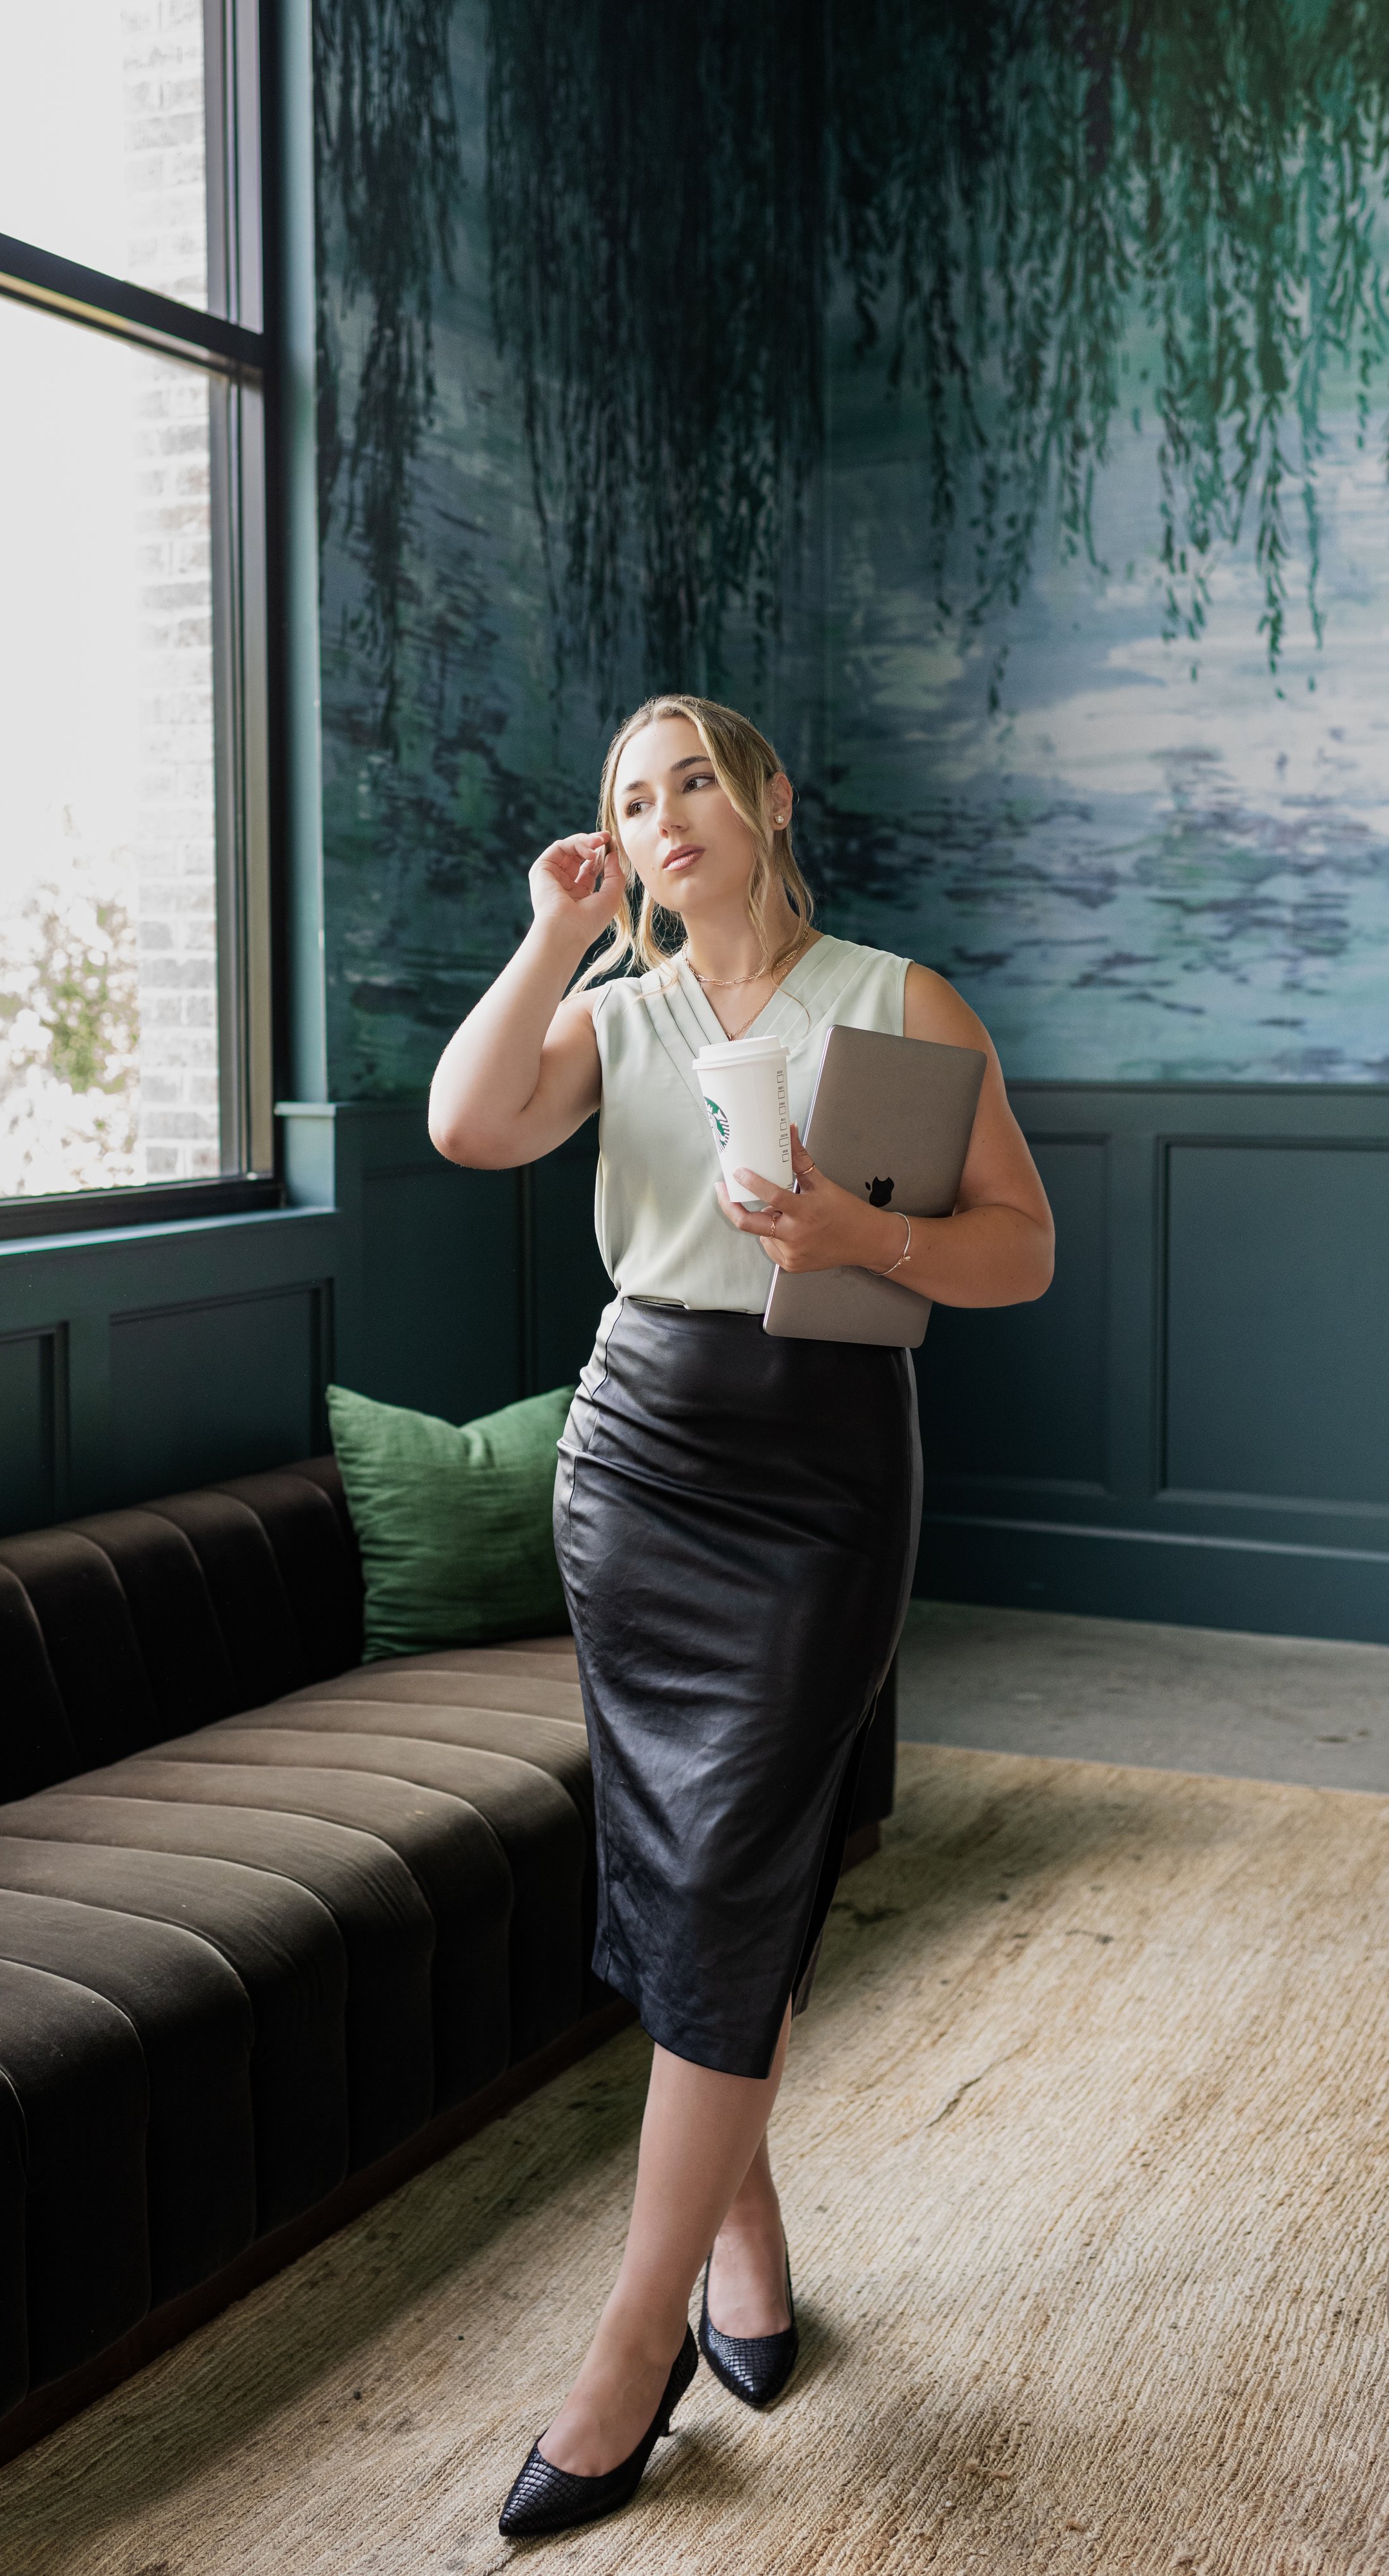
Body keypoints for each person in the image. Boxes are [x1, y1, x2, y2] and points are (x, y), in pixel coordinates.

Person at [428, 693, 1054, 2537]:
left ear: (768, 797)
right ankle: (742, 2239)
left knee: (729, 1862)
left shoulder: (897, 999)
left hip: (821, 1468)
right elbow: (467, 1124)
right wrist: (554, 919)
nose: (665, 810)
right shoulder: (614, 1013)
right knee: (687, 1863)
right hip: (634, 1466)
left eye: (692, 775)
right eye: (632, 796)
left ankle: (629, 2347)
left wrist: (862, 1240)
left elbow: (1017, 1245)